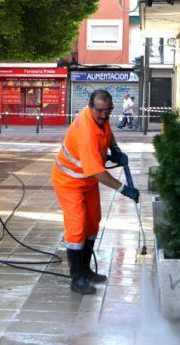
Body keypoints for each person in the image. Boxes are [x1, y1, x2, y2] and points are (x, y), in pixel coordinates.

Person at [52, 89, 140, 294]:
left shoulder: (102, 118)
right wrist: (123, 189)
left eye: (107, 111)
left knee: (93, 221)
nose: (103, 115)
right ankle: (77, 279)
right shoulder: (86, 131)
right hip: (69, 181)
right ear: (91, 107)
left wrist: (115, 149)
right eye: (99, 111)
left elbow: (107, 133)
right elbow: (98, 172)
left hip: (87, 181)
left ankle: (86, 270)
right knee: (77, 226)